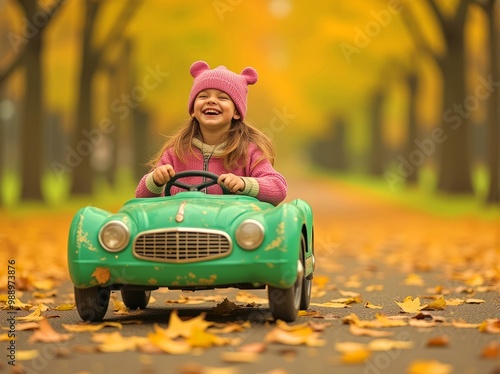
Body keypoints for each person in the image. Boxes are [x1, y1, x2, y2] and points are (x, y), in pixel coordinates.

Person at [135, 60, 287, 206]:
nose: (211, 101)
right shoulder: (176, 152)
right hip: (182, 225)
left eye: (222, 98)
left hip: (231, 228)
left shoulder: (249, 151)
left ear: (236, 112)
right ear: (193, 110)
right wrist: (155, 179)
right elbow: (141, 196)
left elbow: (278, 188)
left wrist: (244, 183)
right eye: (203, 96)